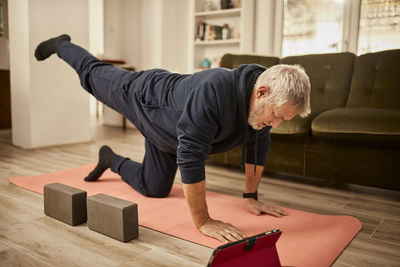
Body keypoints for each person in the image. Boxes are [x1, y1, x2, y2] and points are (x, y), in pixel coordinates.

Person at [35, 34, 311, 244]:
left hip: (169, 135)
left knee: (154, 188)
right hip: (143, 98)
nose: (274, 124)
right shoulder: (215, 90)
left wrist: (250, 196)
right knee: (93, 74)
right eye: (276, 115)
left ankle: (110, 159)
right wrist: (204, 221)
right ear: (262, 92)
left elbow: (257, 150)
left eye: (282, 120)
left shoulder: (261, 112)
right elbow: (191, 157)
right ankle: (62, 44)